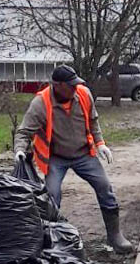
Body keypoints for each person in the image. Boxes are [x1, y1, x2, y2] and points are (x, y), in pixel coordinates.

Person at [13, 65, 133, 253]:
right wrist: (19, 150)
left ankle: (115, 237)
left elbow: (93, 121)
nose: (75, 88)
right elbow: (24, 131)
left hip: (83, 154)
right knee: (51, 196)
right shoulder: (41, 103)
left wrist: (100, 143)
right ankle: (53, 242)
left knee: (105, 187)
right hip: (56, 158)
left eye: (76, 84)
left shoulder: (83, 94)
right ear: (58, 85)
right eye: (70, 85)